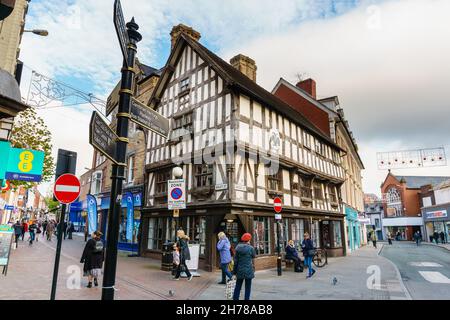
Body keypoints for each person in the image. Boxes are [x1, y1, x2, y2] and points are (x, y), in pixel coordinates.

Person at [232, 233, 256, 301]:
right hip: (249, 269)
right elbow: (253, 258)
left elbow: (235, 261)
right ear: (248, 240)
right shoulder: (251, 248)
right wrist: (254, 268)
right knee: (248, 287)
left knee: (238, 286)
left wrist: (234, 272)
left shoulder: (237, 248)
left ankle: (235, 299)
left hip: (240, 270)